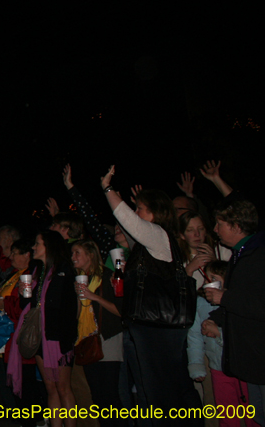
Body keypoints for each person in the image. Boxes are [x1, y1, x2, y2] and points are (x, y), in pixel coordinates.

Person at [101, 166, 202, 425]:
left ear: (156, 214)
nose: (136, 215)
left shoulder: (158, 235)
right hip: (155, 327)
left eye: (141, 209)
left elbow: (125, 218)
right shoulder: (153, 242)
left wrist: (107, 188)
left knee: (161, 392)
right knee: (174, 387)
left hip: (158, 326)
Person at [204, 198, 265, 427]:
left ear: (237, 227)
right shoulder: (242, 254)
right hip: (252, 358)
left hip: (260, 355)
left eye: (219, 224)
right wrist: (214, 319)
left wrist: (225, 297)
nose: (215, 230)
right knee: (257, 417)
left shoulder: (258, 255)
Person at [8, 231, 77, 427]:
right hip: (41, 338)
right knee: (50, 388)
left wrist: (67, 341)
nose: (33, 248)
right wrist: (24, 294)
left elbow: (68, 309)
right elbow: (29, 306)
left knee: (63, 388)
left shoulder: (63, 271)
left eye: (37, 244)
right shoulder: (38, 271)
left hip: (58, 339)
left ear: (49, 246)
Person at [190, 260, 257, 427]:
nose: (208, 283)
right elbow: (195, 337)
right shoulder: (200, 304)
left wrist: (219, 332)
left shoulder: (235, 303)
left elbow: (244, 335)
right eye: (206, 279)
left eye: (214, 278)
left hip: (242, 368)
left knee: (252, 414)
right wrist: (196, 364)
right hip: (217, 368)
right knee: (226, 414)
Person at [71, 240, 124, 427]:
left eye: (77, 253)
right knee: (97, 395)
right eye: (72, 253)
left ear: (90, 255)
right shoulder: (77, 280)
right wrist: (79, 297)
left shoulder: (107, 277)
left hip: (107, 337)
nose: (73, 257)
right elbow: (77, 316)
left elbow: (120, 311)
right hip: (86, 339)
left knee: (109, 395)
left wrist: (93, 296)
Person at [0, 240, 42, 427]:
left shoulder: (29, 277)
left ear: (27, 256)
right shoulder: (15, 276)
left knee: (27, 390)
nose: (11, 257)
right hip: (12, 339)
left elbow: (23, 309)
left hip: (24, 342)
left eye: (15, 252)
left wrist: (3, 304)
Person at [179, 211, 231, 289]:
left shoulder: (222, 249)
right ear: (182, 235)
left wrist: (215, 263)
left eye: (201, 229)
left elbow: (234, 281)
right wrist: (189, 270)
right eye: (190, 230)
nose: (197, 234)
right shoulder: (178, 258)